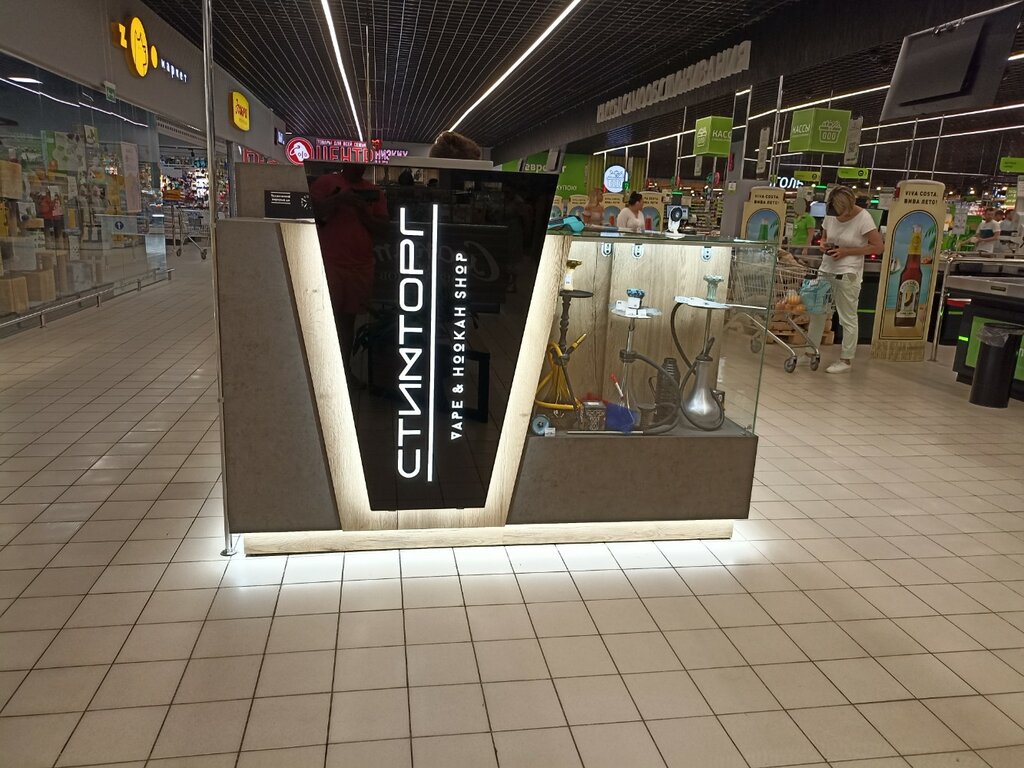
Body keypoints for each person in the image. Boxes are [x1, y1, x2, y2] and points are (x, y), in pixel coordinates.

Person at [310, 164, 389, 380]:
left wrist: (363, 213)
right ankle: (320, 372)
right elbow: (309, 213)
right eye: (355, 162)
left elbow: (383, 229)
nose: (359, 166)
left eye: (363, 163)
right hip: (328, 263)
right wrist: (339, 200)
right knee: (322, 320)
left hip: (360, 266)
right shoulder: (326, 183)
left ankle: (343, 372)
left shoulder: (374, 191)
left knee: (348, 321)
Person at [806, 185, 884, 375]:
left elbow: (878, 247)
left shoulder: (864, 218)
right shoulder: (831, 213)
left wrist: (847, 251)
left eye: (841, 213)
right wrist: (824, 244)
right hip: (826, 269)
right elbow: (824, 236)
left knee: (847, 317)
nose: (838, 217)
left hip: (848, 274)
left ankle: (846, 359)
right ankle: (810, 353)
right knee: (817, 314)